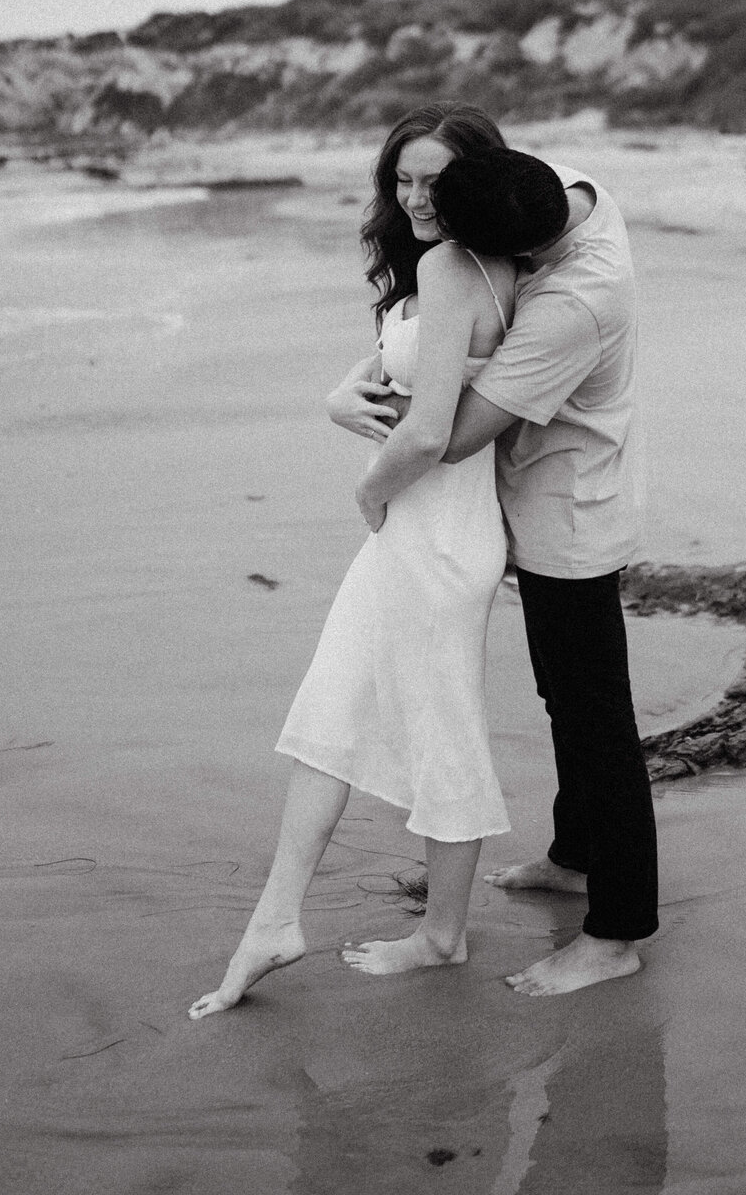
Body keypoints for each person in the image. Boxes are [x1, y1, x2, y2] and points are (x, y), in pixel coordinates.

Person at [189, 105, 517, 1018]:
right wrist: (343, 394)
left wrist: (368, 488)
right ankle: (275, 919)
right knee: (330, 704)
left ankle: (443, 935)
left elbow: (426, 430)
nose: (415, 197)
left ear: (475, 182)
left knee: (443, 725)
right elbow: (409, 374)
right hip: (425, 534)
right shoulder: (458, 267)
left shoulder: (458, 267)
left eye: (435, 181)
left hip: (435, 532)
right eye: (402, 180)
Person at [430, 146, 660, 998]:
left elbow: (456, 435)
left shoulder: (574, 301)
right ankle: (575, 857)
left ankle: (618, 932)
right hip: (556, 499)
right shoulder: (565, 189)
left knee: (600, 724)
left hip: (571, 520)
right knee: (564, 698)